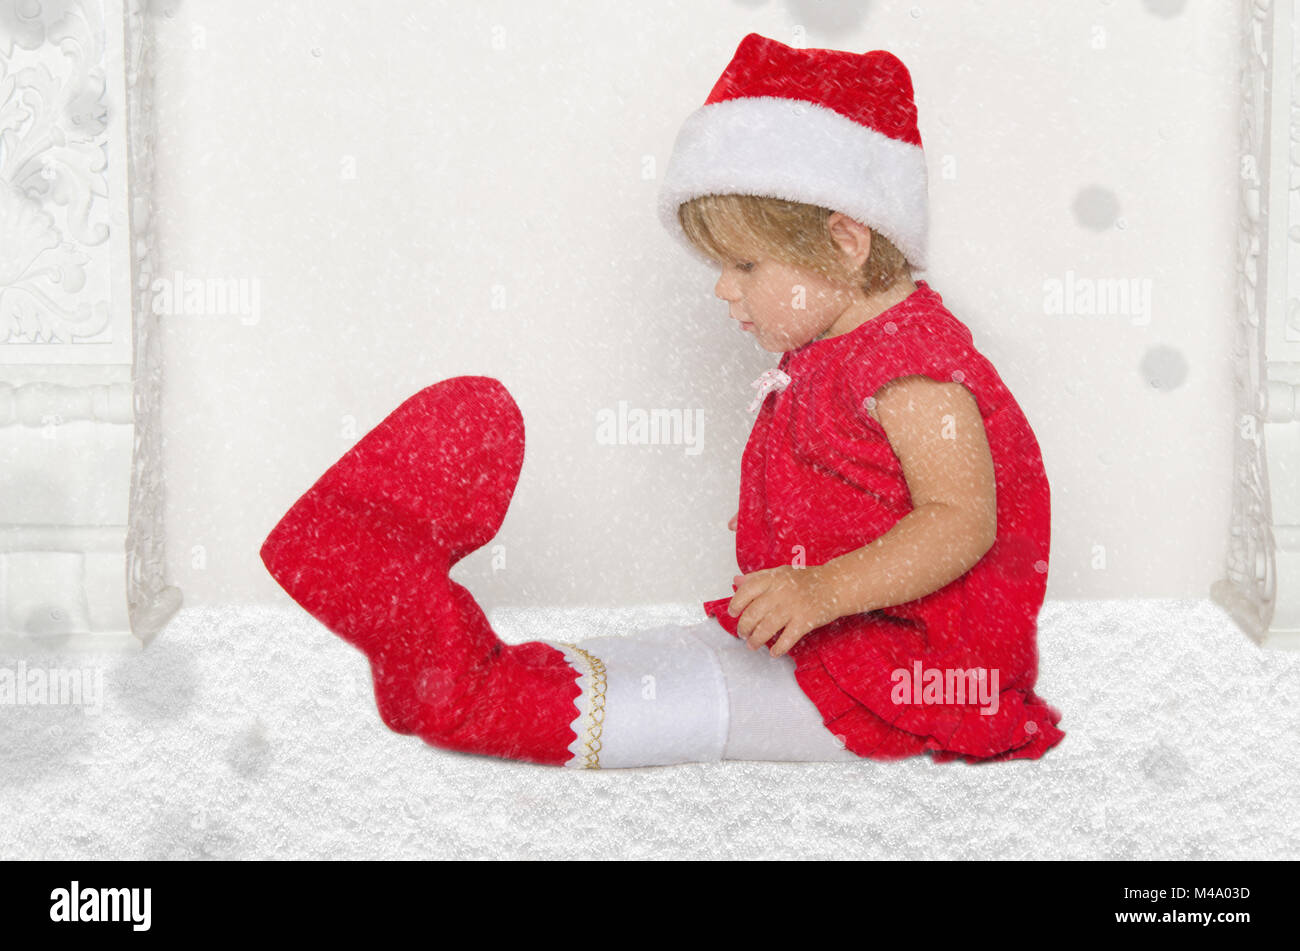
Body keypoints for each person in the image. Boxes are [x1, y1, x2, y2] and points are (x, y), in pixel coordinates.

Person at [260, 33, 1064, 768]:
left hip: (917, 681)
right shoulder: (829, 349)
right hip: (834, 644)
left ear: (846, 241)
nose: (723, 290)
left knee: (676, 703)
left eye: (746, 266)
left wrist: (822, 589)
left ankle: (455, 678)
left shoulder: (913, 365)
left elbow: (962, 518)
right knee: (667, 660)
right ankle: (450, 652)